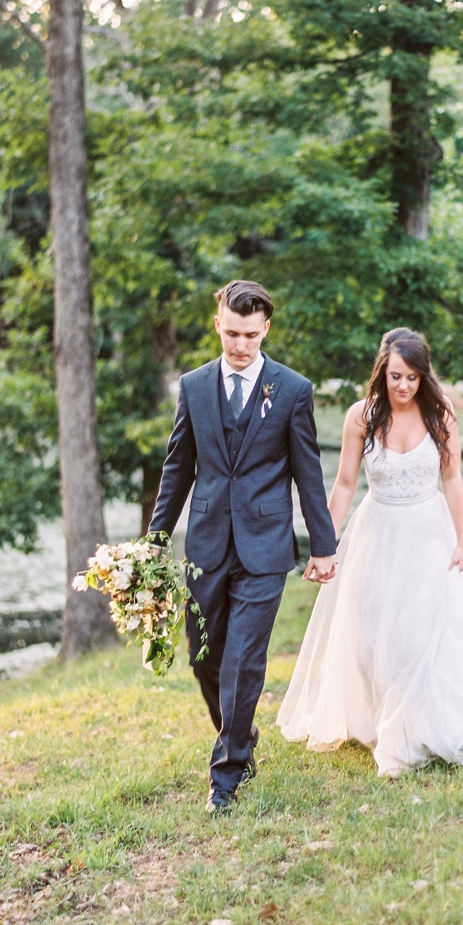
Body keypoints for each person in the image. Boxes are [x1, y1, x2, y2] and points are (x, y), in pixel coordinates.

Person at [277, 328, 463, 776]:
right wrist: (324, 544)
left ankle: (418, 726)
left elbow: (453, 481)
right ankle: (385, 718)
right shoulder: (361, 417)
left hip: (429, 533)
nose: (402, 386)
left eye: (410, 377)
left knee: (422, 630)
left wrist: (462, 540)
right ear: (381, 374)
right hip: (377, 532)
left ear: (423, 377)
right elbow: (346, 483)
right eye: (394, 376)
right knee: (375, 633)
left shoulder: (441, 417)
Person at [148, 279, 340, 815]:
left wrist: (323, 545)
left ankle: (226, 778)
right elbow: (176, 469)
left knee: (243, 662)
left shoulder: (293, 390)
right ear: (218, 325)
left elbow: (309, 472)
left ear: (266, 330)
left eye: (251, 336)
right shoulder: (193, 387)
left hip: (265, 548)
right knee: (203, 658)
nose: (240, 346)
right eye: (232, 333)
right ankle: (239, 737)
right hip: (206, 545)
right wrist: (153, 542)